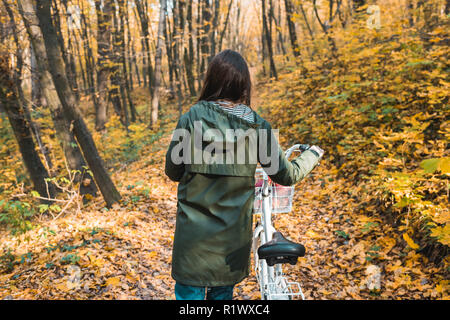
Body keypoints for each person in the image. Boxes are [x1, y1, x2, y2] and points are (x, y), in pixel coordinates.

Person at [165, 49, 324, 300]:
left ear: (212, 80)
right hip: (230, 245)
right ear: (243, 85)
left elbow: (172, 171)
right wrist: (313, 154)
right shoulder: (257, 127)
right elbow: (287, 176)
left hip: (192, 244)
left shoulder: (191, 119)